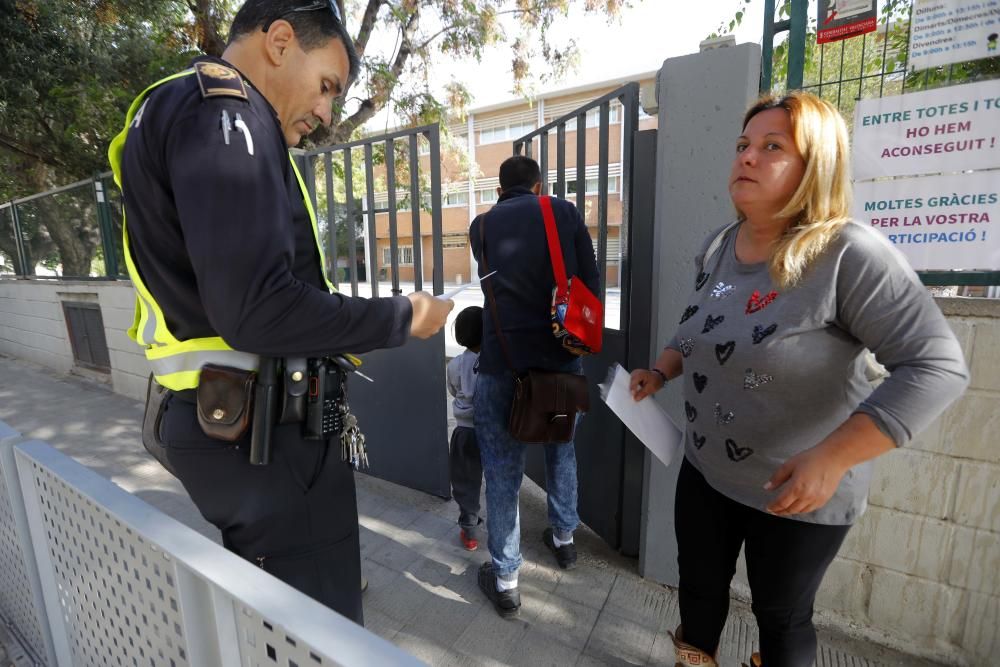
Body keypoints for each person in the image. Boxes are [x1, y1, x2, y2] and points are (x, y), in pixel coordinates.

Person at [108, 0, 453, 625]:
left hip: (234, 421)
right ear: (280, 41)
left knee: (275, 621)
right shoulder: (228, 114)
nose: (325, 115)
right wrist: (401, 317)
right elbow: (257, 307)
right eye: (327, 87)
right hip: (261, 440)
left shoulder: (175, 104)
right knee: (316, 632)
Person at [630, 91, 969, 667]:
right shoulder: (718, 245)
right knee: (699, 593)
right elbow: (699, 328)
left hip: (796, 495)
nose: (747, 158)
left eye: (772, 147)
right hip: (706, 472)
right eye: (743, 145)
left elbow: (938, 367)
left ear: (817, 166)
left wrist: (834, 456)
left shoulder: (848, 254)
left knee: (782, 618)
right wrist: (662, 369)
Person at [469, 155, 600, 618]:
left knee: (503, 469)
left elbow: (494, 288)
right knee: (561, 448)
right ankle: (564, 540)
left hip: (502, 363)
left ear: (500, 189)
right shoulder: (563, 212)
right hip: (561, 362)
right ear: (539, 184)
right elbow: (591, 279)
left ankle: (506, 580)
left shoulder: (480, 227)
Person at [446, 306, 485, 551]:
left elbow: (452, 390)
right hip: (491, 431)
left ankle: (470, 531)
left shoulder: (456, 365)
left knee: (465, 481)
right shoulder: (495, 361)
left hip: (464, 432)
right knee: (498, 480)